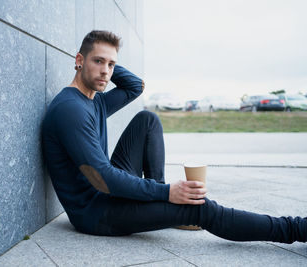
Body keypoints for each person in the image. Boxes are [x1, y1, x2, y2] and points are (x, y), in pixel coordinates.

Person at [42, 30, 306, 242]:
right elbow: (103, 180)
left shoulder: (94, 100)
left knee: (147, 120)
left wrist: (107, 60)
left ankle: (161, 209)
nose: (106, 71)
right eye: (98, 61)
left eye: (111, 64)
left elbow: (135, 87)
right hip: (97, 211)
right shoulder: (70, 110)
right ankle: (296, 230)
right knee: (201, 209)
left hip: (109, 191)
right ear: (79, 60)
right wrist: (167, 192)